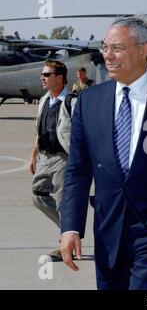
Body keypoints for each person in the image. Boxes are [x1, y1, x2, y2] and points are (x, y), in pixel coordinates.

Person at [59, 17, 147, 290]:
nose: (107, 55)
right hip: (107, 229)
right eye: (105, 47)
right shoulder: (89, 101)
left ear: (143, 50)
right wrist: (70, 227)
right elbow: (77, 170)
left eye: (117, 48)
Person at [29, 60, 69, 261]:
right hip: (45, 157)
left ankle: (66, 244)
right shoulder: (45, 99)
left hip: (63, 158)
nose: (42, 78)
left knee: (63, 203)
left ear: (59, 78)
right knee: (38, 195)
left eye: (46, 74)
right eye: (42, 74)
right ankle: (69, 230)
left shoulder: (71, 101)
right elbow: (39, 129)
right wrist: (33, 155)